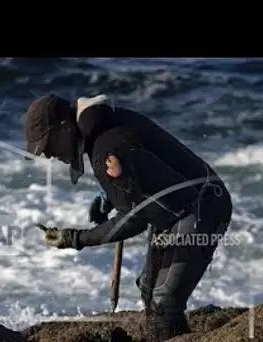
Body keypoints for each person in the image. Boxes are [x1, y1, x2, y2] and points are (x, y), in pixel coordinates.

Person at [23, 93, 233, 341]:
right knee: (148, 289)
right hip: (174, 208)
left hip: (201, 209)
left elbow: (132, 220)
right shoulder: (105, 122)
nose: (49, 154)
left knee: (164, 305)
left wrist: (76, 238)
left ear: (64, 128)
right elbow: (147, 164)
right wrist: (113, 193)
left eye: (48, 145)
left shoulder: (106, 146)